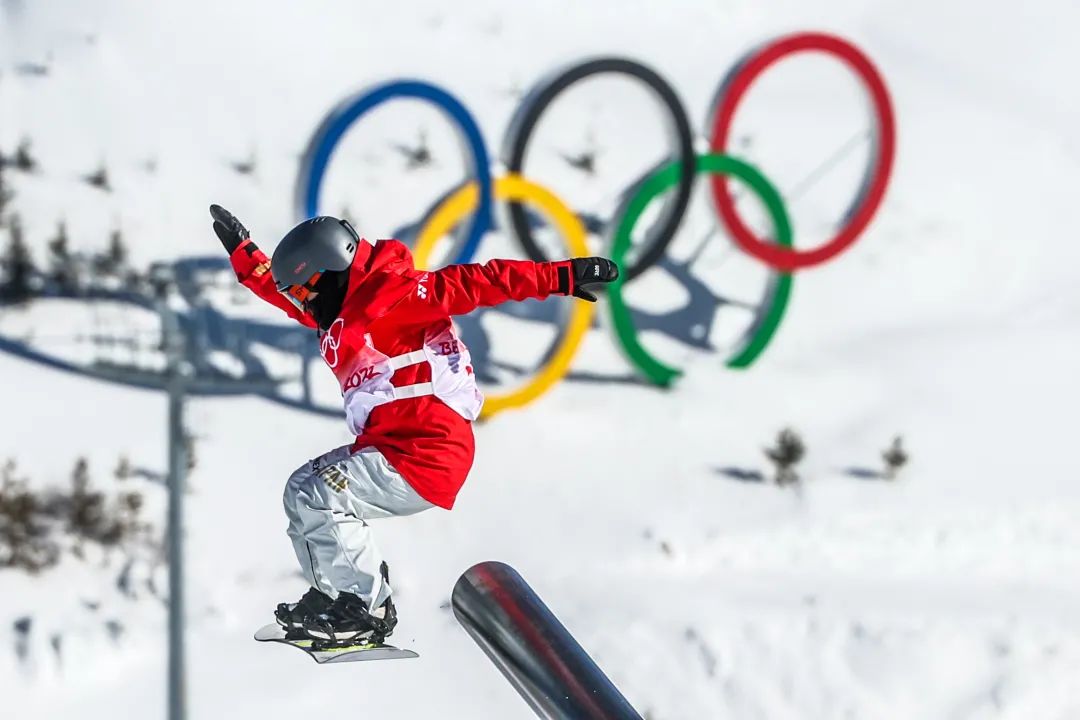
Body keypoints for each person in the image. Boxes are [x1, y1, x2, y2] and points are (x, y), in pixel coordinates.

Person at [210, 205, 618, 644]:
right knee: (303, 491)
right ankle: (335, 599)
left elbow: (478, 283)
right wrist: (246, 257)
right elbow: (282, 295)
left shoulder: (394, 294)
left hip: (426, 450)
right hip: (394, 448)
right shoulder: (342, 313)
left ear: (330, 271)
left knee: (317, 493)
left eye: (306, 291)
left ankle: (364, 607)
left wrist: (559, 276)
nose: (303, 302)